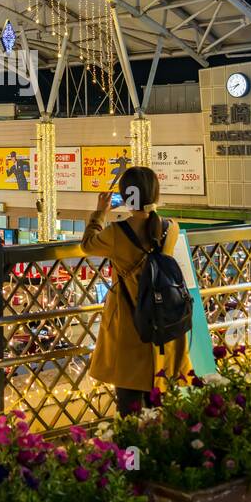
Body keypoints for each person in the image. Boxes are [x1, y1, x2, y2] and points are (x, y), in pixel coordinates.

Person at [80, 166, 190, 416]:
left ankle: (132, 452)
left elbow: (87, 245)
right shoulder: (170, 228)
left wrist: (100, 213)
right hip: (165, 325)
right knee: (161, 410)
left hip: (130, 325)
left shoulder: (117, 233)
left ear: (127, 197)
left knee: (129, 410)